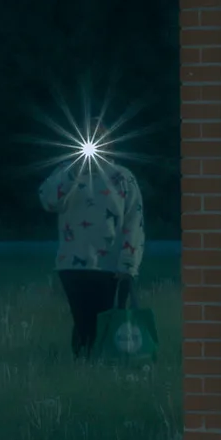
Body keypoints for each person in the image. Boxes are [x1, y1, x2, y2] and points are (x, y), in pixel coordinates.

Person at [38, 141, 145, 356]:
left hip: (112, 266)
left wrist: (128, 264)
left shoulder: (123, 177)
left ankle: (108, 374)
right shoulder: (66, 172)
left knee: (110, 327)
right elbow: (48, 200)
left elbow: (134, 223)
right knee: (83, 325)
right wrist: (76, 168)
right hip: (73, 264)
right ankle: (83, 370)